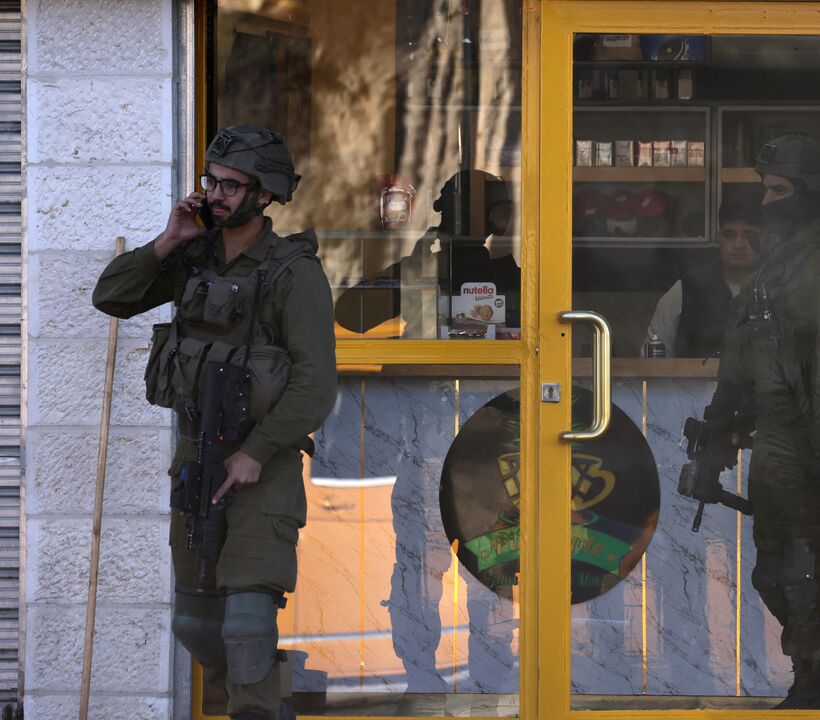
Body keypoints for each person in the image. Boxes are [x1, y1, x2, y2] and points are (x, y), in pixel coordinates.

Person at [92, 125, 338, 720]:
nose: (216, 194)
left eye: (231, 184)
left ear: (266, 194)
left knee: (248, 624)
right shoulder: (192, 256)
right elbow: (112, 297)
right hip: (196, 461)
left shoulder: (291, 272)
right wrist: (169, 238)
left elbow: (315, 383)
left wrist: (256, 450)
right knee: (197, 624)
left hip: (261, 467)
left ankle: (255, 702)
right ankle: (268, 698)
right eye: (212, 181)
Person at [694, 134, 820, 709]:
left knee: (806, 566)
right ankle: (810, 676)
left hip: (807, 437)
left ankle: (817, 684)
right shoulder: (780, 263)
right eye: (764, 190)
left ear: (811, 193)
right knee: (775, 566)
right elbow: (748, 354)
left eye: (778, 190)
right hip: (775, 438)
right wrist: (724, 427)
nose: (768, 200)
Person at [333, 169, 519, 339]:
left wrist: (412, 269)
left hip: (420, 372)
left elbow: (349, 315)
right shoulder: (508, 278)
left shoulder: (422, 271)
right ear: (495, 217)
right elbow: (349, 314)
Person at [644, 188, 769, 357]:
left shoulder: (785, 289)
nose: (738, 244)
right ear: (719, 237)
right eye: (729, 234)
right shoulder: (685, 290)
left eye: (749, 235)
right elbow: (652, 363)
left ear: (768, 238)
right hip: (693, 384)